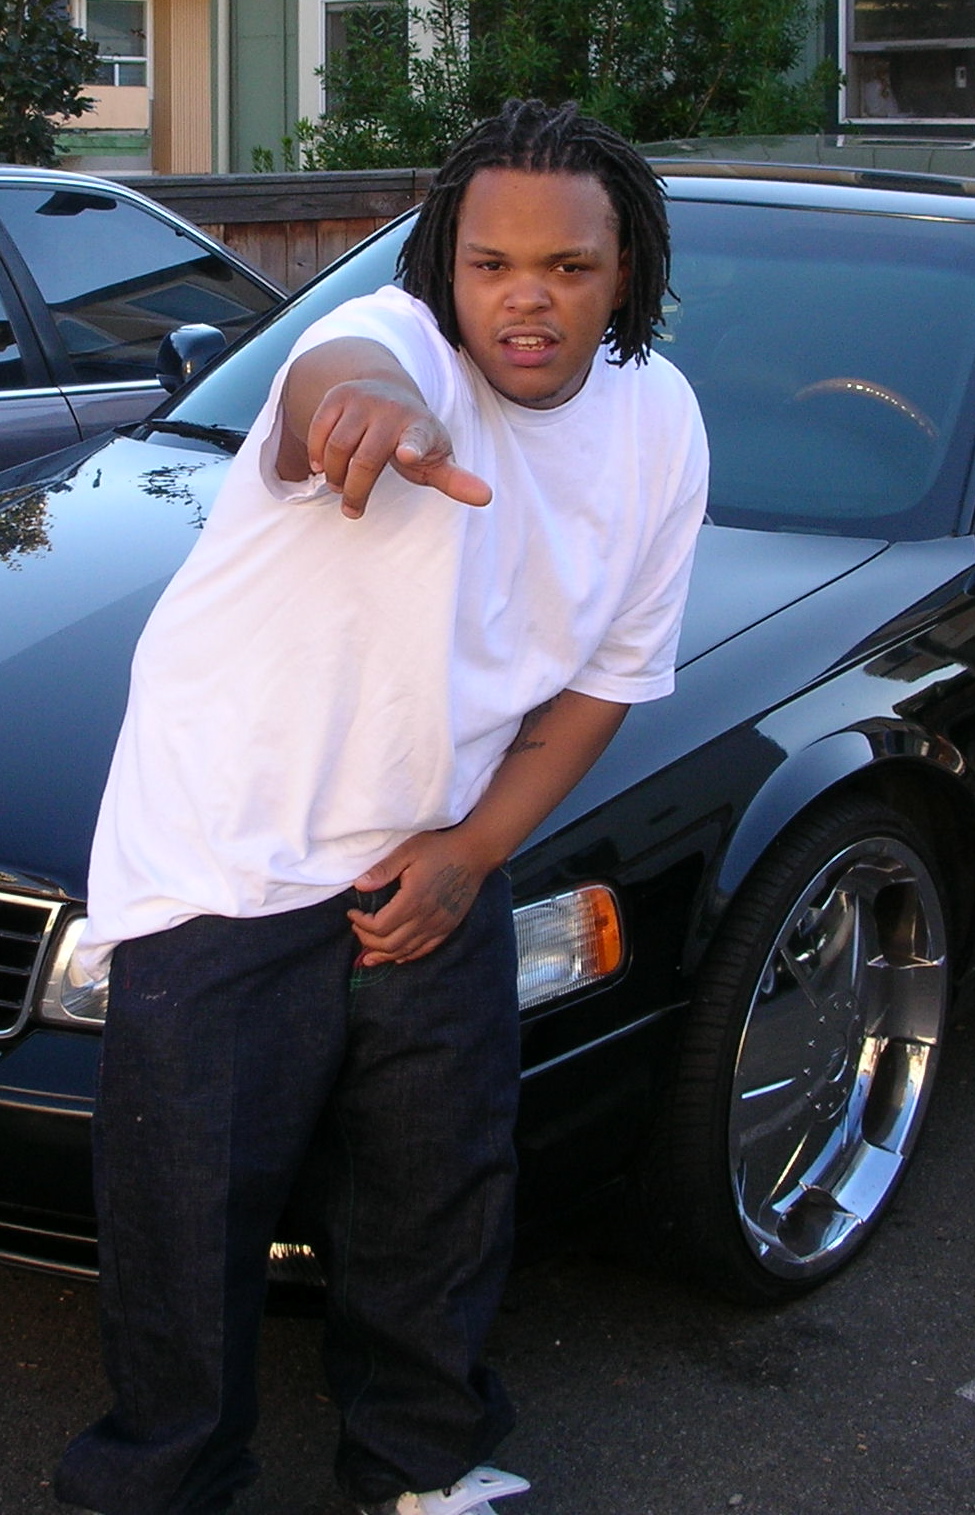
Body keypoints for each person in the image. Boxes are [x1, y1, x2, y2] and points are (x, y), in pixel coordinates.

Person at [55, 97, 708, 1515]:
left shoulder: (659, 421)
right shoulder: (390, 343)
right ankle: (158, 1485)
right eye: (490, 264)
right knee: (187, 1218)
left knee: (439, 1192)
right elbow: (330, 382)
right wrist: (369, 409)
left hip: (428, 851)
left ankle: (420, 1466)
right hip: (231, 853)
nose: (525, 296)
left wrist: (475, 853)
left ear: (625, 275)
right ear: (446, 269)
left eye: (569, 266)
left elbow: (605, 679)